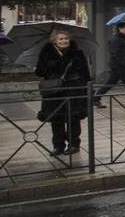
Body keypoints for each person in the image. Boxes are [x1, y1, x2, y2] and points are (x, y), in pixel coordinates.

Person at [35, 28, 92, 157]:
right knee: (56, 119)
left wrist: (86, 88)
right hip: (54, 91)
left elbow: (85, 73)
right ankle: (58, 146)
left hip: (73, 89)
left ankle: (74, 144)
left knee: (73, 118)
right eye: (61, 39)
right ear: (54, 40)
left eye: (66, 38)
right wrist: (54, 64)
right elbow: (39, 71)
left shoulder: (77, 53)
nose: (64, 41)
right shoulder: (46, 52)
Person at [93, 22, 125, 107]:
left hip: (121, 66)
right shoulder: (116, 39)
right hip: (119, 67)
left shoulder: (123, 38)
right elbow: (115, 54)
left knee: (110, 83)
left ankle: (95, 98)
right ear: (120, 28)